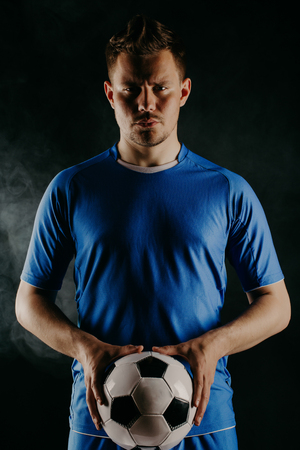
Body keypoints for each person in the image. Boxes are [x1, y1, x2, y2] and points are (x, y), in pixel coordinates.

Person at [15, 14, 291, 450]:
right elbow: (28, 302)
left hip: (204, 421)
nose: (146, 102)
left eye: (160, 88)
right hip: (101, 419)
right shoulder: (72, 187)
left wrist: (213, 345)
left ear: (183, 91)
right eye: (130, 89)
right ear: (110, 94)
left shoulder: (227, 191)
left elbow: (277, 305)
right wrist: (85, 348)